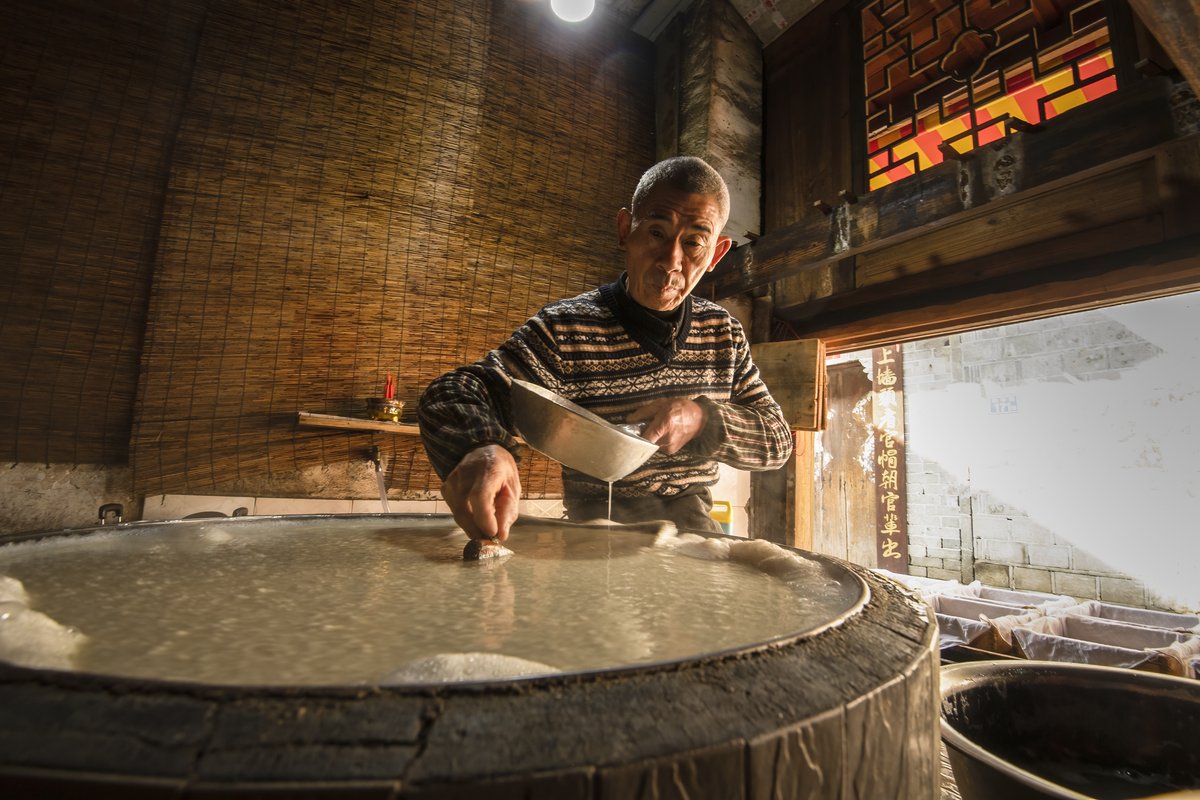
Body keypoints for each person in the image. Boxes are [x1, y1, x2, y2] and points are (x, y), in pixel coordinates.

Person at [418, 156, 793, 542]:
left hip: (695, 535)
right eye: (656, 233)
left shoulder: (722, 333)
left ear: (716, 254)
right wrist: (481, 446)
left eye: (694, 242)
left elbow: (777, 440)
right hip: (593, 532)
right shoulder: (567, 329)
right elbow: (455, 392)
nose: (671, 262)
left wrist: (700, 420)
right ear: (625, 230)